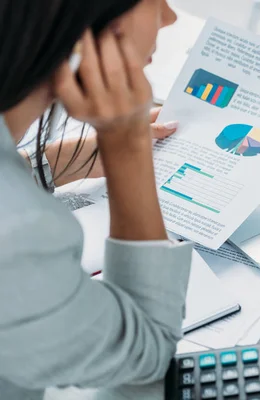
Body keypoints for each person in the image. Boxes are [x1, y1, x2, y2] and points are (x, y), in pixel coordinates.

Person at [0, 0, 194, 398]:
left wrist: (62, 161)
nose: (170, 17)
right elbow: (146, 351)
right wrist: (125, 142)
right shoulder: (17, 236)